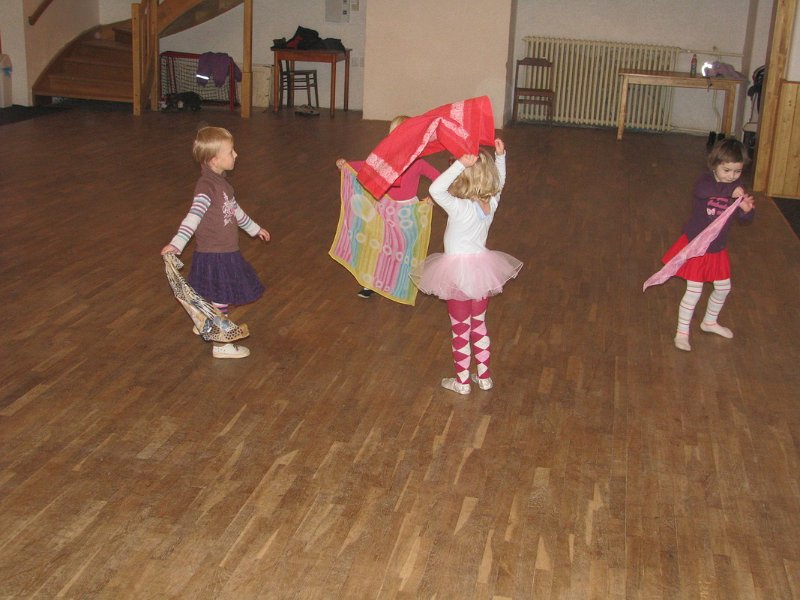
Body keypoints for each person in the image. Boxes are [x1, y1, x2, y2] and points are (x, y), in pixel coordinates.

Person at [411, 138, 522, 394]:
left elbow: (436, 189)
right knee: (479, 325)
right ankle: (484, 377)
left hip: (457, 276)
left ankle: (462, 382)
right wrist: (501, 157)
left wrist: (459, 164)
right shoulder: (491, 203)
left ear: (465, 177)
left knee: (460, 329)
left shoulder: (459, 207)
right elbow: (500, 183)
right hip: (482, 273)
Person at [161, 126, 270, 359]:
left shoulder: (222, 184)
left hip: (224, 251)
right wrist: (177, 244)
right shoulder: (207, 187)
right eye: (231, 152)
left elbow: (235, 211)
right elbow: (193, 217)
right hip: (216, 254)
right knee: (221, 296)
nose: (236, 155)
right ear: (214, 160)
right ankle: (221, 344)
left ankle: (207, 324)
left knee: (214, 293)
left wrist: (255, 229)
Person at [661, 138, 755, 352]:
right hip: (696, 246)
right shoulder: (705, 181)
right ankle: (682, 333)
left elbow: (743, 217)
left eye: (737, 171)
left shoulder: (738, 187)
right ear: (715, 165)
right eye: (726, 170)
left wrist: (746, 210)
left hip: (716, 249)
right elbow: (703, 192)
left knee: (723, 288)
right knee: (694, 291)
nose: (731, 176)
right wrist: (730, 192)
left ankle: (710, 321)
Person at [336, 115, 440, 298]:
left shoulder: (417, 162)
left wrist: (433, 198)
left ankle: (404, 280)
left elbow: (438, 178)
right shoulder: (385, 159)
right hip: (386, 209)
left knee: (405, 247)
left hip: (408, 211)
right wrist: (346, 165)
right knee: (379, 245)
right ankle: (370, 283)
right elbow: (366, 166)